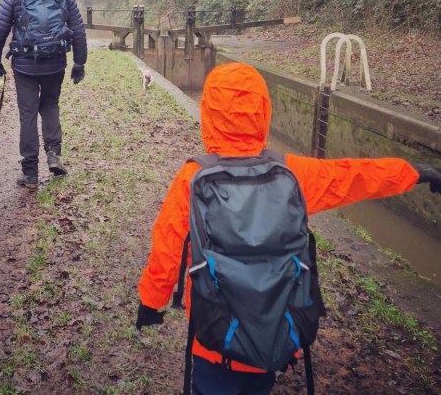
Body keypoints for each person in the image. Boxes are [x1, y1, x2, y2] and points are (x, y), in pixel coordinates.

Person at [136, 61, 441, 395]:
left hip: (213, 338)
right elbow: (353, 176)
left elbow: (167, 247)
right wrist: (415, 171)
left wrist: (151, 302)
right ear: (264, 111)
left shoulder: (192, 180)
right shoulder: (292, 174)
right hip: (275, 332)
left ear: (208, 113)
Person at [0, 0, 88, 189]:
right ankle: (54, 154)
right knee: (50, 106)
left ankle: (30, 173)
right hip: (55, 61)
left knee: (28, 113)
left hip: (25, 64)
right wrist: (79, 62)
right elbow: (78, 27)